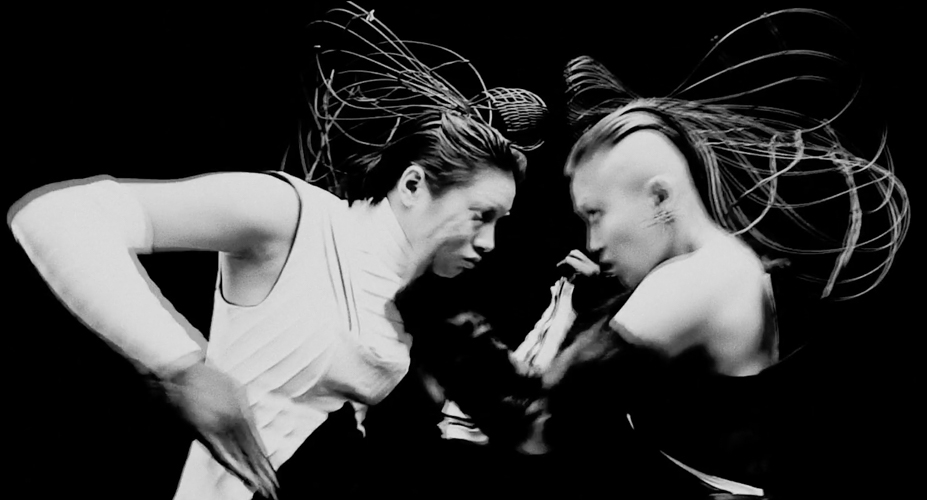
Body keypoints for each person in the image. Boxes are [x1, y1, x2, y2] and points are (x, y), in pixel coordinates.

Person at [6, 3, 546, 499]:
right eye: (481, 215)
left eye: (500, 223)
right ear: (411, 185)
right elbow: (56, 217)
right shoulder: (293, 217)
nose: (489, 243)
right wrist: (182, 365)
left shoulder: (411, 315)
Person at [397, 10, 910, 499]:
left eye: (596, 214)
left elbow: (535, 423)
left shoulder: (695, 279)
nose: (592, 241)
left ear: (660, 199)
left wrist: (425, 310)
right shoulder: (729, 267)